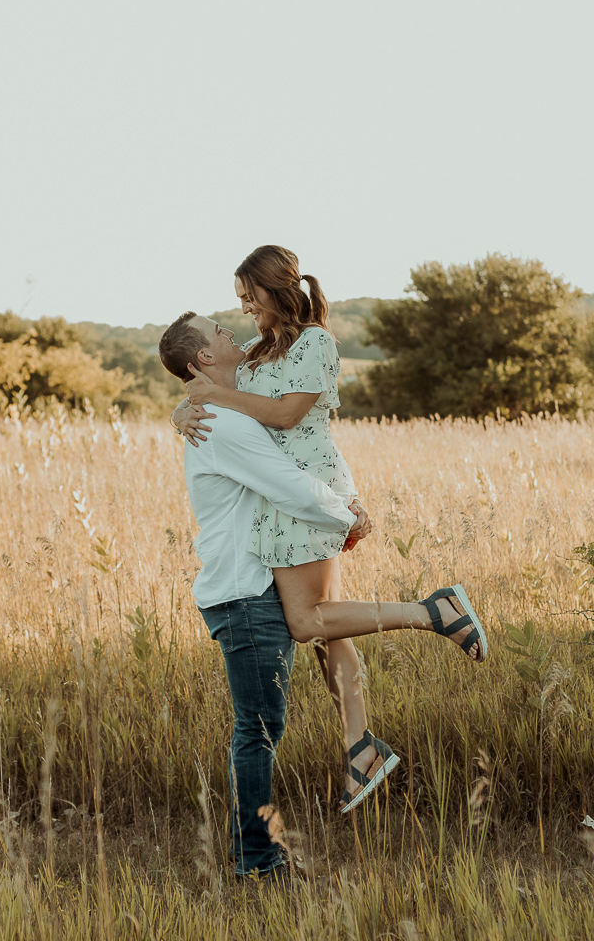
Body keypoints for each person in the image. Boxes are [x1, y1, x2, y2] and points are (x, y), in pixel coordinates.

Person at [162, 255, 490, 816]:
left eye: (246, 296)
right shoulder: (255, 358)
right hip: (295, 500)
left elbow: (295, 420)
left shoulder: (314, 343)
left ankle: (433, 613)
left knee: (307, 621)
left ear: (271, 290)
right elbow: (215, 392)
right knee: (330, 627)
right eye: (230, 313)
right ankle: (360, 747)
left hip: (306, 498)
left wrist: (343, 503)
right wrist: (183, 408)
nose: (238, 312)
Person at [159, 312, 361, 879]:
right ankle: (257, 859)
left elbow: (271, 364)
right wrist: (351, 512)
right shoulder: (221, 421)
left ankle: (254, 852)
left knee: (260, 725)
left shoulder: (221, 401)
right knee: (259, 728)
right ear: (203, 360)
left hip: (251, 587)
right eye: (220, 332)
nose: (233, 334)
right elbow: (289, 485)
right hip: (244, 594)